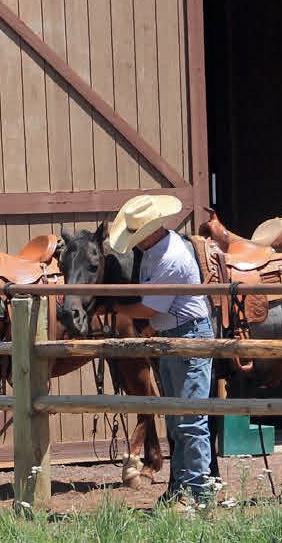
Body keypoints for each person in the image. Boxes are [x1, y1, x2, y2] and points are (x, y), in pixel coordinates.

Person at [104, 194, 214, 508]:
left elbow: (148, 309)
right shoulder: (157, 251)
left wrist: (113, 306)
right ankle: (183, 488)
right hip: (176, 335)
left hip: (187, 336)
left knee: (189, 419)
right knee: (180, 419)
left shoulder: (170, 258)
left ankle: (198, 493)